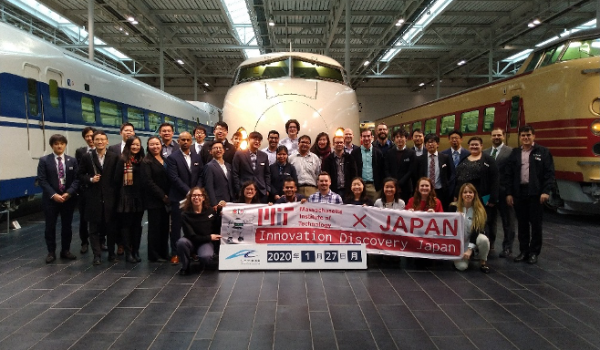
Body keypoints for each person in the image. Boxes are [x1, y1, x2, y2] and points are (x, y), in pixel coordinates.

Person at [504, 125, 555, 265]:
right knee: (522, 224)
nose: (525, 138)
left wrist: (546, 191)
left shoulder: (543, 152)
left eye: (528, 135)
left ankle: (534, 252)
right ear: (520, 137)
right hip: (519, 193)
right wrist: (509, 193)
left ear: (534, 136)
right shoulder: (515, 153)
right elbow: (509, 175)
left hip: (536, 194)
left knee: (536, 224)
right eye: (523, 136)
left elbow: (549, 174)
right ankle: (524, 251)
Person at [78, 130, 120, 265]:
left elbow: (118, 177)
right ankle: (97, 255)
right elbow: (79, 175)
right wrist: (90, 179)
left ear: (107, 141)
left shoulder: (114, 157)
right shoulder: (87, 157)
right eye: (97, 139)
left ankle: (112, 253)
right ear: (93, 141)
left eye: (103, 139)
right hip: (93, 198)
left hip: (110, 198)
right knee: (94, 228)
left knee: (111, 228)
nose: (100, 142)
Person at [37, 134, 79, 263]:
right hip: (51, 200)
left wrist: (69, 192)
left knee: (67, 226)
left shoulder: (72, 161)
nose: (59, 146)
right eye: (56, 144)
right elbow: (42, 180)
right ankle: (51, 252)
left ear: (65, 145)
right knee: (50, 226)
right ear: (52, 146)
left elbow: (77, 179)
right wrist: (53, 195)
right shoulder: (44, 160)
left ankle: (65, 250)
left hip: (67, 199)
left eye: (61, 143)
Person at [166, 131, 204, 264]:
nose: (186, 142)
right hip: (179, 197)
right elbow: (174, 178)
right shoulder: (172, 158)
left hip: (195, 199)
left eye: (188, 140)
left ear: (191, 141)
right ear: (178, 141)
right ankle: (176, 253)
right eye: (183, 140)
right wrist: (189, 192)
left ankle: (192, 251)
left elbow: (200, 175)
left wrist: (196, 191)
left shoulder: (197, 157)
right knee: (176, 226)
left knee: (193, 226)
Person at [454, 137, 499, 249]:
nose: (474, 147)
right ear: (468, 146)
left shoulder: (488, 160)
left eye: (476, 145)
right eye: (472, 145)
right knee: (467, 220)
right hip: (465, 196)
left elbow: (495, 179)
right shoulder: (465, 158)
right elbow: (458, 178)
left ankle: (485, 246)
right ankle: (467, 245)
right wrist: (456, 194)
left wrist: (493, 198)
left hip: (482, 197)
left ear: (481, 146)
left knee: (484, 221)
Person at [483, 127, 516, 258]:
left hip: (504, 192)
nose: (496, 137)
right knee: (489, 220)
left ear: (503, 136)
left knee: (508, 221)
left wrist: (511, 193)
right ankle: (490, 245)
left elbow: (513, 174)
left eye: (499, 135)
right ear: (491, 137)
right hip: (489, 193)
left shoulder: (511, 152)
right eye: (494, 135)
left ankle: (507, 247)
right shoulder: (485, 152)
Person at [176, 187, 222, 275]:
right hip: (191, 241)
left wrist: (220, 214)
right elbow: (191, 236)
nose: (196, 198)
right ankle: (185, 266)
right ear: (190, 198)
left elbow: (217, 226)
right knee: (181, 243)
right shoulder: (184, 214)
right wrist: (209, 237)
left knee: (206, 257)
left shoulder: (210, 211)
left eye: (199, 195)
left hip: (205, 242)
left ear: (203, 198)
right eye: (194, 195)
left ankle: (202, 259)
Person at [115, 136, 145, 263]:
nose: (135, 147)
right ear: (128, 145)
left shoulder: (142, 160)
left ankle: (136, 251)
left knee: (137, 226)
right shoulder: (122, 159)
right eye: (133, 144)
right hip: (126, 197)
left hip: (139, 197)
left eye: (138, 144)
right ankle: (128, 252)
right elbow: (116, 179)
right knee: (126, 226)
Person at [141, 136, 170, 262]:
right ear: (148, 146)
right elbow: (148, 182)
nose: (155, 147)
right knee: (154, 228)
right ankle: (154, 255)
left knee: (164, 227)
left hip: (166, 199)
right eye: (152, 144)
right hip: (155, 200)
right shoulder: (146, 162)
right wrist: (162, 196)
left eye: (157, 144)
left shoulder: (164, 159)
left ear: (161, 145)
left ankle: (164, 252)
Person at [453, 183, 491, 273]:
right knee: (462, 267)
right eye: (465, 192)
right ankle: (460, 258)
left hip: (473, 238)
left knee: (484, 240)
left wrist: (470, 249)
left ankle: (483, 262)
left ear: (474, 194)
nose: (468, 194)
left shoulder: (479, 210)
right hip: (458, 242)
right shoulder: (453, 207)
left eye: (470, 192)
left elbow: (476, 231)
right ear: (461, 195)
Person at [416, 133, 454, 210]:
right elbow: (417, 175)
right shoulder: (419, 159)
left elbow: (450, 173)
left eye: (433, 142)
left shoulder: (445, 158)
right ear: (425, 145)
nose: (430, 144)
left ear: (438, 144)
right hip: (424, 191)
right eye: (428, 142)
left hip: (441, 191)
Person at [74, 126, 96, 254]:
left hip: (99, 189)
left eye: (91, 135)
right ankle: (84, 242)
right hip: (85, 189)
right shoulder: (80, 152)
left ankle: (101, 241)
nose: (90, 138)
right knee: (83, 217)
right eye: (87, 136)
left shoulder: (104, 150)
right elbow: (79, 171)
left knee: (100, 217)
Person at [232, 131, 271, 203]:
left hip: (261, 191)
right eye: (255, 139)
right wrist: (238, 189)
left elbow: (267, 174)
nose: (257, 142)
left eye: (259, 140)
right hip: (245, 191)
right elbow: (235, 173)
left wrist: (267, 189)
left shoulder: (264, 155)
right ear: (248, 140)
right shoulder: (239, 154)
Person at [351, 129, 385, 202]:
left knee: (374, 209)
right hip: (359, 186)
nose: (366, 138)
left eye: (368, 136)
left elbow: (382, 170)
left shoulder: (378, 152)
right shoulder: (355, 153)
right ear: (361, 138)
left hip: (374, 187)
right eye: (364, 136)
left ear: (372, 137)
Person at [385, 128, 417, 203]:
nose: (399, 139)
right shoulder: (389, 153)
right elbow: (386, 169)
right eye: (397, 137)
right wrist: (392, 182)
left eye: (402, 137)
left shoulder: (411, 153)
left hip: (406, 187)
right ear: (394, 139)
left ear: (406, 138)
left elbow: (411, 170)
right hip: (391, 187)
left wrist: (400, 183)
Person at [204, 141, 235, 206]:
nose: (218, 150)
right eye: (215, 148)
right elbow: (209, 187)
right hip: (218, 201)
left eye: (220, 148)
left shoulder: (228, 166)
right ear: (210, 152)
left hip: (230, 200)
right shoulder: (209, 166)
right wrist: (214, 203)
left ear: (223, 151)